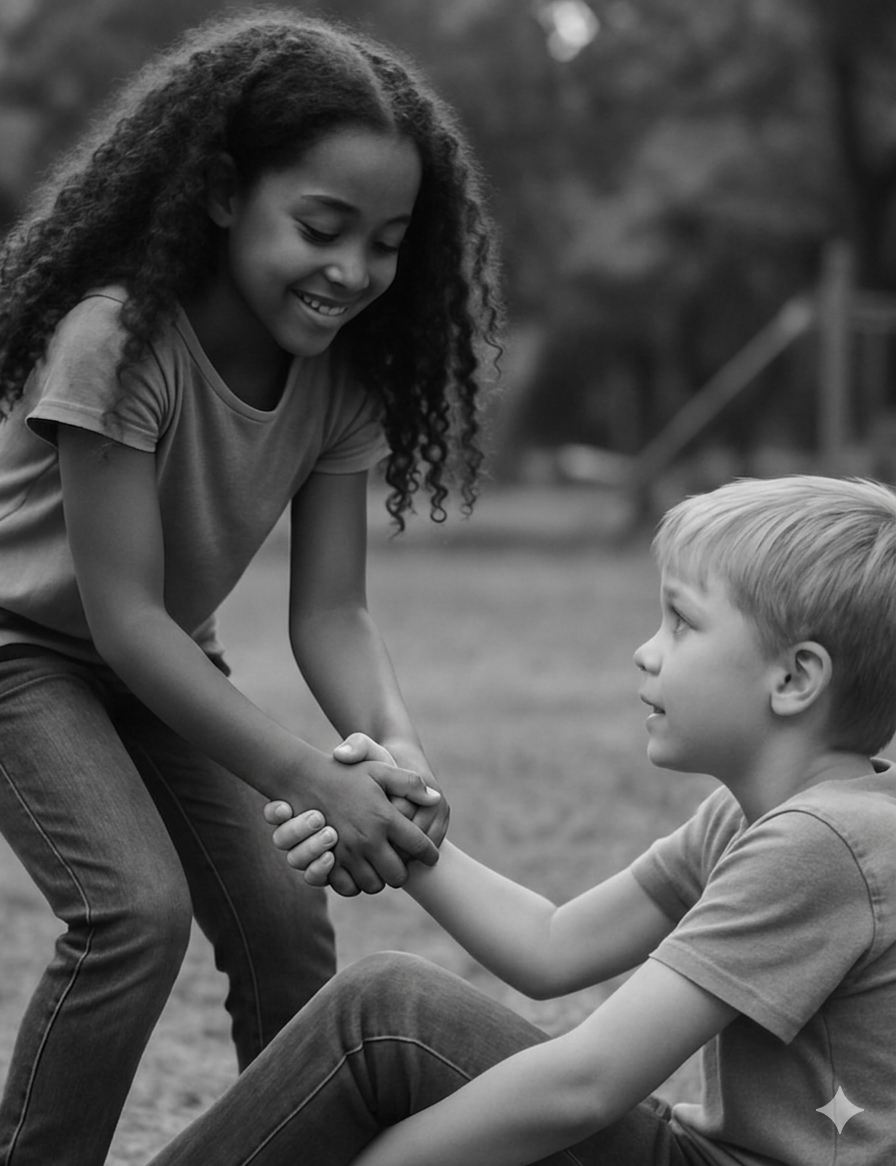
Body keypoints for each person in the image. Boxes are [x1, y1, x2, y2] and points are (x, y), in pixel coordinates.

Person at [0, 11, 500, 1164]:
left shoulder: (342, 379)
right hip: (24, 650)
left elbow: (330, 610)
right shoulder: (115, 340)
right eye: (321, 227)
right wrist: (309, 777)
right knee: (133, 909)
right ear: (223, 194)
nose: (353, 272)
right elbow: (118, 617)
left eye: (385, 241)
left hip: (161, 653)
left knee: (283, 921)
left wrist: (391, 746)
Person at [147, 475, 894, 1166]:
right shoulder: (756, 818)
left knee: (384, 1015)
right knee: (389, 1008)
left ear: (794, 679)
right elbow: (551, 946)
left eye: (681, 623)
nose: (645, 651)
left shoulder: (822, 844)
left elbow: (586, 1083)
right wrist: (389, 828)